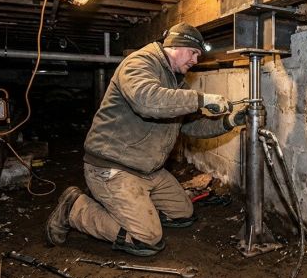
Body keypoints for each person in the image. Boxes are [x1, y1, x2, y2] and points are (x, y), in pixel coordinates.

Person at [45, 22, 247, 256]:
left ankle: (129, 209)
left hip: (148, 169)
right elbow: (146, 100)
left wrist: (229, 122)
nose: (195, 60)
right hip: (114, 167)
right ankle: (75, 208)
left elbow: (190, 125)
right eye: (193, 53)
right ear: (176, 45)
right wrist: (201, 99)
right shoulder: (139, 63)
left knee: (182, 215)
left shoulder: (175, 80)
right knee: (147, 240)